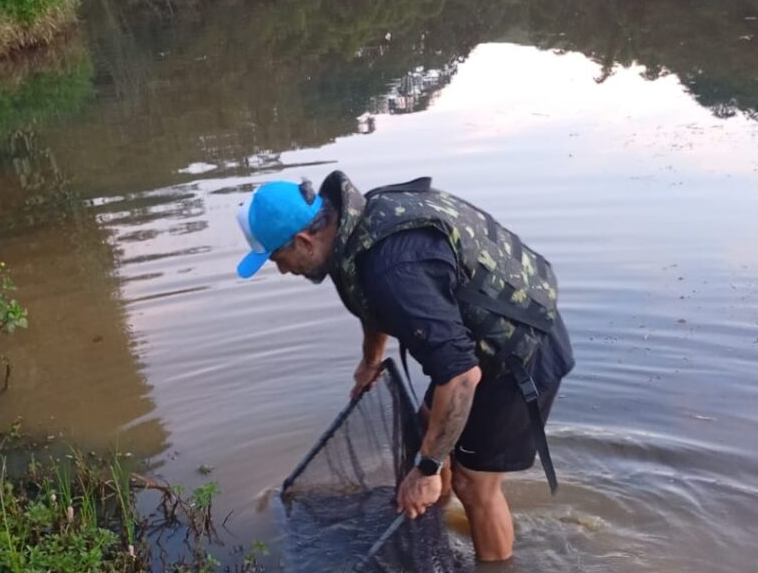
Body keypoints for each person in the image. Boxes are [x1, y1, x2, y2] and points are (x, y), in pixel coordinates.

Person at [235, 170, 574, 562]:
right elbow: (370, 301)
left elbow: (461, 376)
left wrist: (427, 470)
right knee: (426, 428)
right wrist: (370, 361)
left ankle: (494, 563)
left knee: (473, 486)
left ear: (303, 240)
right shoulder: (352, 230)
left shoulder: (392, 267)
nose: (281, 270)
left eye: (279, 259)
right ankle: (431, 530)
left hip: (521, 352)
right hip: (470, 342)